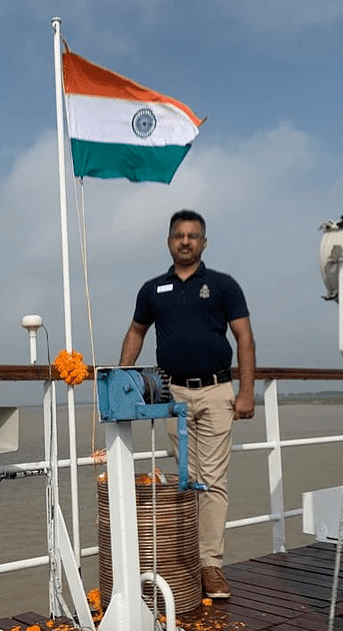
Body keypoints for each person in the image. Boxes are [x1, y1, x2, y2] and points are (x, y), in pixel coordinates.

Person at [119, 209, 256, 600]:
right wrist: (120, 380)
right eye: (179, 235)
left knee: (211, 481)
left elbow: (244, 338)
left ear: (204, 243)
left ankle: (210, 566)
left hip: (216, 393)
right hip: (172, 393)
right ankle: (187, 561)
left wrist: (246, 392)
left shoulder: (223, 286)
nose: (185, 241)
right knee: (186, 481)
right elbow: (136, 332)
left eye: (193, 236)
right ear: (169, 242)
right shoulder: (151, 290)